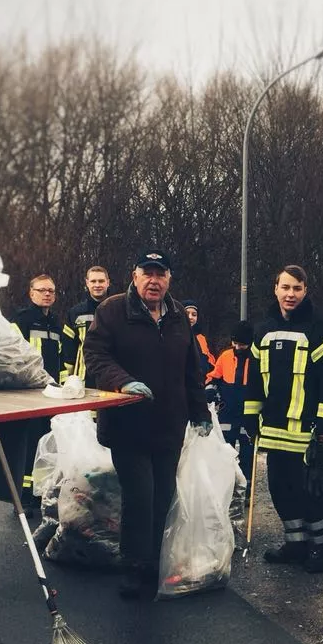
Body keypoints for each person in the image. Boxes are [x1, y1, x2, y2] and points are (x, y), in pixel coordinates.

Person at [84, 250, 210, 599]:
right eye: (147, 273)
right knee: (140, 497)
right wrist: (121, 381)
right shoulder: (112, 311)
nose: (154, 281)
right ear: (135, 276)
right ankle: (135, 567)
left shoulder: (178, 318)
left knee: (163, 497)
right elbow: (95, 354)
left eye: (161, 274)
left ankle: (156, 562)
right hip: (128, 425)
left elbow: (191, 370)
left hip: (169, 426)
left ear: (169, 279)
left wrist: (200, 412)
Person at [243, 265, 323, 574]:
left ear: (305, 291)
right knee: (280, 489)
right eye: (285, 287)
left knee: (309, 492)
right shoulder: (263, 330)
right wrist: (250, 414)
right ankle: (296, 543)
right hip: (274, 430)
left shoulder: (320, 329)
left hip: (307, 431)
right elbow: (255, 381)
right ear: (275, 289)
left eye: (297, 288)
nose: (290, 294)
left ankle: (321, 547)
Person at [0, 275, 63, 511]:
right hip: (28, 392)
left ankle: (41, 492)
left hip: (51, 393)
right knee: (28, 444)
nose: (46, 294)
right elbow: (10, 354)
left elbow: (60, 359)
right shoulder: (21, 320)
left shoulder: (56, 323)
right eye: (41, 290)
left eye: (50, 291)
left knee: (47, 442)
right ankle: (22, 497)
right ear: (31, 293)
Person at [205, 321, 256, 488]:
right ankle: (227, 486)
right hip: (227, 411)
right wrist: (210, 388)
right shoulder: (226, 356)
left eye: (242, 344)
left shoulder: (256, 358)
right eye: (235, 343)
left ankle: (245, 487)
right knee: (225, 451)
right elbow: (214, 376)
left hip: (248, 413)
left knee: (247, 453)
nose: (237, 347)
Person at [60, 265, 111, 382]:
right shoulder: (75, 313)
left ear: (108, 282)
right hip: (83, 378)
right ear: (87, 283)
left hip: (111, 377)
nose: (97, 285)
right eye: (93, 281)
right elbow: (68, 350)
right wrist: (66, 380)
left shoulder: (118, 310)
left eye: (101, 281)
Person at [182, 300, 216, 376]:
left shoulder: (202, 338)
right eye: (187, 314)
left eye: (194, 314)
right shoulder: (174, 335)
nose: (190, 317)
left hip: (200, 383)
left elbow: (210, 364)